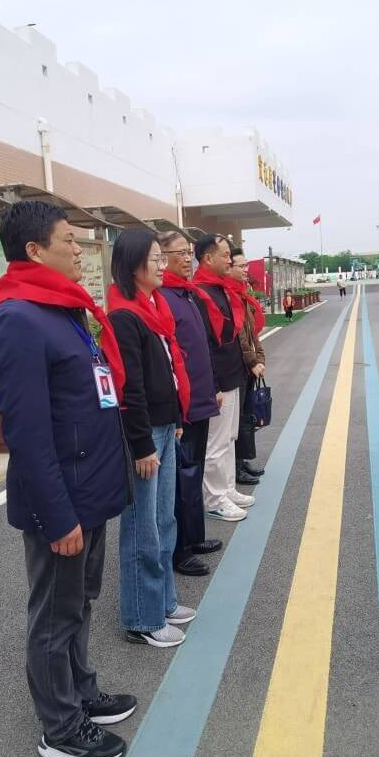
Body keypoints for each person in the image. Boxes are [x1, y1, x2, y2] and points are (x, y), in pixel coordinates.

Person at [0, 201, 134, 757]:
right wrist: (57, 516)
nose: (79, 250)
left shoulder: (61, 309)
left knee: (79, 603)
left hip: (88, 488)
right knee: (53, 615)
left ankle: (81, 691)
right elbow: (26, 434)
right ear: (34, 250)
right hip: (63, 501)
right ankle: (61, 728)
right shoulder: (18, 320)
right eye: (68, 240)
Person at [106, 228, 199, 649]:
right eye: (156, 259)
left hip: (164, 426)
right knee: (142, 528)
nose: (164, 266)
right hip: (145, 437)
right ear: (132, 266)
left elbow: (167, 373)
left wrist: (176, 417)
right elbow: (130, 389)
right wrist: (142, 444)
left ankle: (163, 601)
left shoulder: (153, 307)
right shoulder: (125, 316)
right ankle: (142, 618)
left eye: (164, 258)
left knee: (164, 521)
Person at [156, 231, 223, 578]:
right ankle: (179, 550)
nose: (187, 259)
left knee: (192, 473)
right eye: (179, 253)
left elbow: (201, 349)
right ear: (161, 256)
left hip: (200, 398)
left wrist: (212, 388)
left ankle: (194, 537)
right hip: (184, 405)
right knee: (181, 479)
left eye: (188, 252)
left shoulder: (187, 294)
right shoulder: (164, 298)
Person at [194, 234, 254, 521]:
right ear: (208, 258)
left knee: (229, 438)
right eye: (225, 255)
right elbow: (204, 344)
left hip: (233, 375)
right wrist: (213, 384)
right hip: (218, 379)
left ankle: (227, 488)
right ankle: (214, 499)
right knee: (216, 444)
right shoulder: (200, 292)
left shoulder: (222, 288)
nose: (230, 260)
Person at [229, 248, 268, 485]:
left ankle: (242, 462)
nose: (246, 270)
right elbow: (240, 336)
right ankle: (235, 468)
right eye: (241, 266)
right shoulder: (229, 296)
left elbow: (253, 334)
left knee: (245, 417)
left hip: (248, 367)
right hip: (239, 367)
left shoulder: (241, 294)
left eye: (246, 265)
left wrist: (260, 358)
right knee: (236, 421)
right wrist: (253, 362)